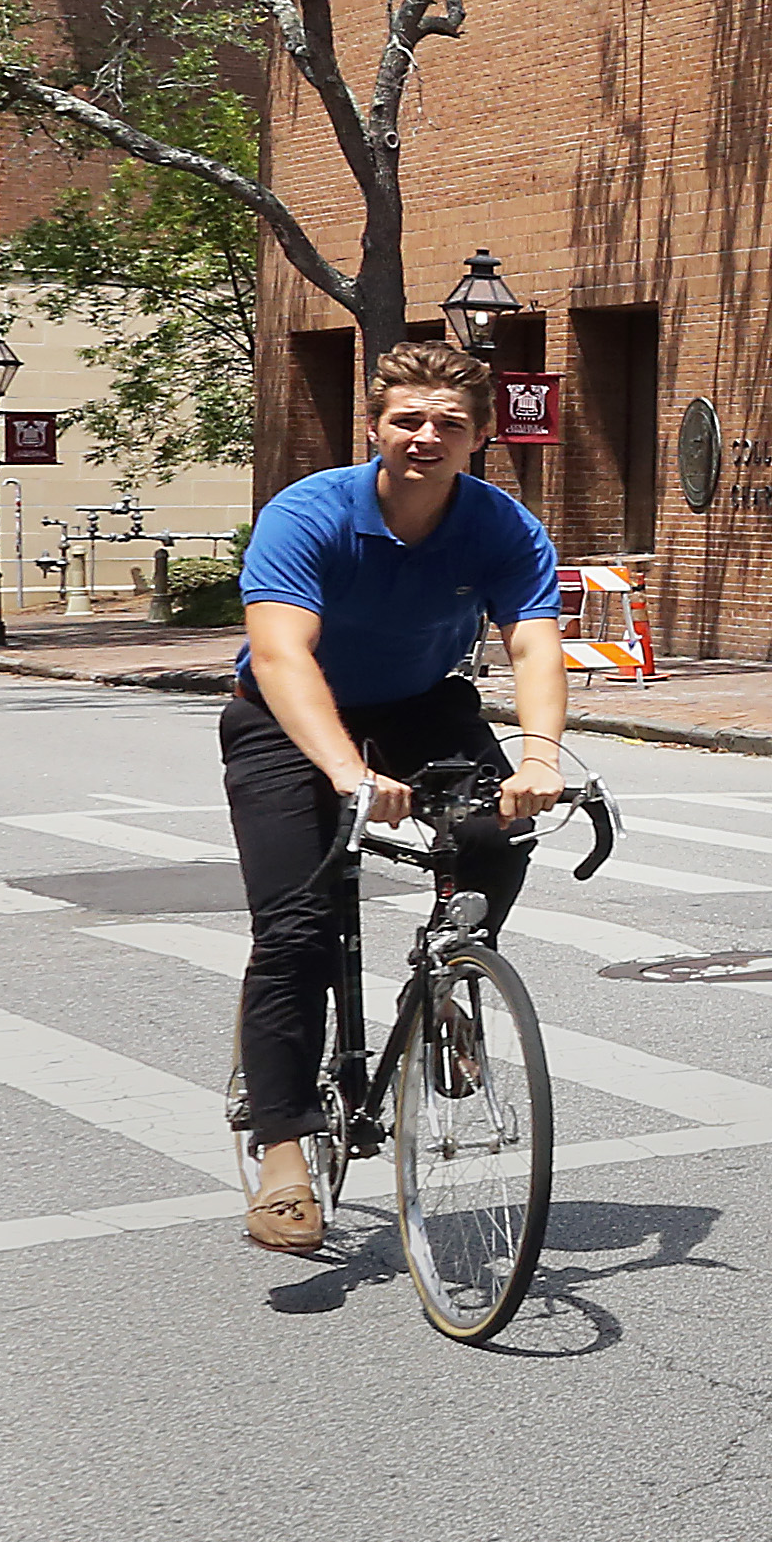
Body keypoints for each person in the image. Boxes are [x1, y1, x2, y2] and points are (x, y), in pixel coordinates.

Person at [224, 339, 571, 1256]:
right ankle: (285, 1148)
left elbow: (533, 646)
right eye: (407, 420)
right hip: (288, 719)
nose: (426, 437)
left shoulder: (499, 526)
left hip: (422, 705)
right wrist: (346, 772)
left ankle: (453, 969)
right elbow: (281, 655)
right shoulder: (311, 514)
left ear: (482, 437)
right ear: (375, 427)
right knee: (295, 930)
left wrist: (538, 757)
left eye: (448, 425)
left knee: (499, 831)